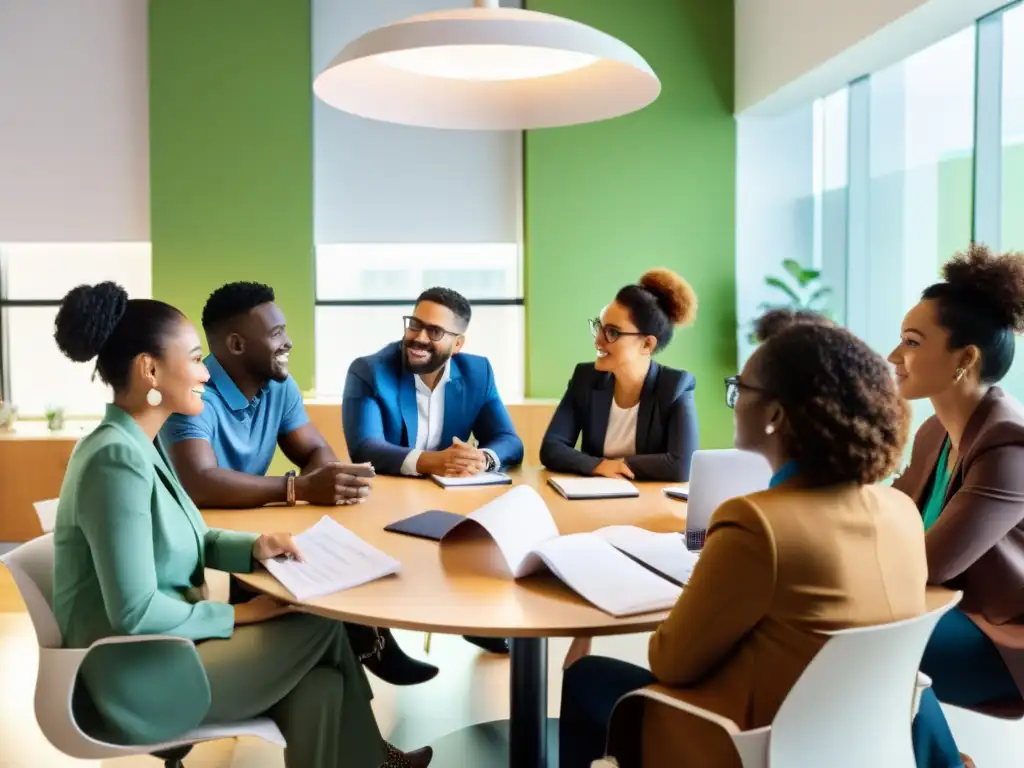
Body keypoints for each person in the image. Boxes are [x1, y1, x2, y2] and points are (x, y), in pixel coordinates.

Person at [50, 282, 432, 768]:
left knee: (321, 686)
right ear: (150, 369)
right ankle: (377, 761)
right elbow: (135, 613)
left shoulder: (136, 445)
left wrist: (255, 546)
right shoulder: (114, 459)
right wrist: (243, 615)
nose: (204, 375)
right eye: (192, 359)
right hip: (135, 681)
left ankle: (374, 760)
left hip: (170, 652)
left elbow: (189, 534)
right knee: (324, 623)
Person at [559, 310, 927, 768]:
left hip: (746, 746)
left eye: (741, 388)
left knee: (586, 675)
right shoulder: (902, 511)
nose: (734, 401)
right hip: (853, 744)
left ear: (774, 413)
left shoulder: (756, 522)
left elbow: (671, 661)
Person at [162, 281, 438, 687]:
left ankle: (370, 645)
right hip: (199, 537)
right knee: (311, 583)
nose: (287, 342)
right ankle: (359, 652)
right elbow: (199, 482)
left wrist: (330, 483)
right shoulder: (193, 394)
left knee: (337, 554)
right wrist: (299, 489)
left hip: (248, 526)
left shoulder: (279, 387)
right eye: (276, 333)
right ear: (237, 345)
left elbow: (316, 452)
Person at [889, 244, 1024, 768]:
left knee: (860, 644)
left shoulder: (1008, 444)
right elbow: (889, 512)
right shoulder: (934, 431)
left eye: (911, 342)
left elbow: (932, 564)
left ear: (965, 359)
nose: (892, 356)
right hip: (943, 608)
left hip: (999, 634)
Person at [343, 286, 523, 655]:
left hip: (450, 501)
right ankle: (377, 645)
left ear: (458, 344)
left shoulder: (478, 372)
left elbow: (509, 440)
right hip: (386, 502)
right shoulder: (370, 371)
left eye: (434, 332)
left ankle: (481, 620)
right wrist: (432, 461)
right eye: (415, 325)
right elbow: (366, 446)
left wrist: (482, 458)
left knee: (496, 530)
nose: (419, 338)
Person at [540, 268, 699, 483]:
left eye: (612, 332)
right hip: (594, 498)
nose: (598, 340)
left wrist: (619, 465)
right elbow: (551, 448)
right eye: (599, 327)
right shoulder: (585, 378)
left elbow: (683, 465)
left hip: (650, 505)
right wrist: (599, 465)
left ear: (646, 344)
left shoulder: (675, 386)